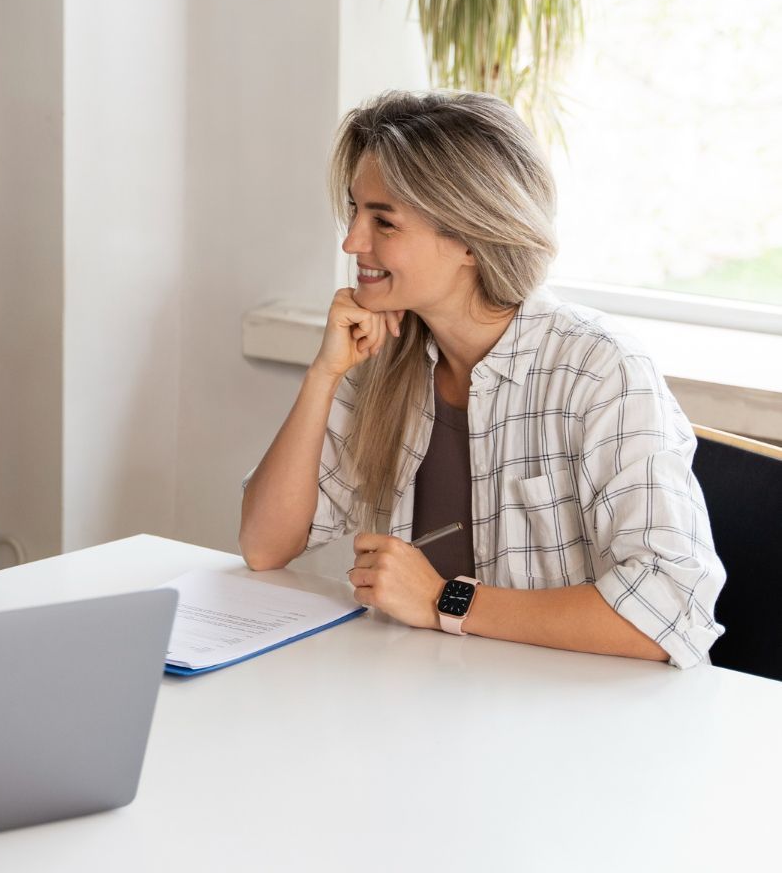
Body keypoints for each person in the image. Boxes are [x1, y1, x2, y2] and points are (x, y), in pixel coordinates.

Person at [239, 90, 723, 667]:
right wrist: (323, 376)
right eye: (354, 211)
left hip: (582, 723)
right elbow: (265, 546)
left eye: (383, 221)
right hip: (436, 702)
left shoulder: (599, 370)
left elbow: (673, 610)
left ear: (470, 238)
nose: (352, 242)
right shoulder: (387, 360)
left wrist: (444, 600)